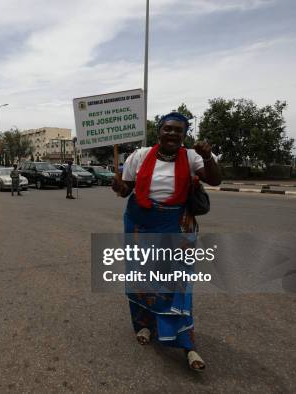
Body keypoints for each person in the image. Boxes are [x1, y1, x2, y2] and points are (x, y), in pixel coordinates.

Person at [111, 112, 221, 372]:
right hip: (140, 224)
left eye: (178, 131)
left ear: (183, 135)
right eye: (168, 129)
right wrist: (118, 186)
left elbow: (215, 179)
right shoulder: (140, 155)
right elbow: (126, 189)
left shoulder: (191, 157)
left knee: (177, 285)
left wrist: (207, 155)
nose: (172, 134)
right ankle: (145, 326)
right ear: (159, 131)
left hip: (176, 225)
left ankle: (187, 344)